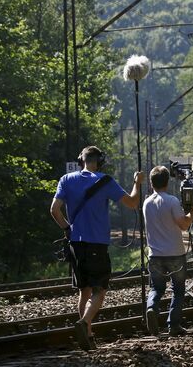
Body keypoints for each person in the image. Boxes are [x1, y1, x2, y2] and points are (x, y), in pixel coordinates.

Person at [50, 146, 144, 350]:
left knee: (84, 292)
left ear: (81, 160)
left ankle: (89, 336)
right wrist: (137, 183)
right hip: (97, 243)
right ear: (99, 161)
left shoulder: (66, 180)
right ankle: (84, 324)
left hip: (76, 244)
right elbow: (132, 203)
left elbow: (54, 210)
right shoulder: (105, 181)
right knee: (99, 291)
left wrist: (68, 229)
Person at [142, 165, 193, 336]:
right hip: (175, 253)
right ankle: (173, 325)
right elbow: (183, 225)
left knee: (156, 288)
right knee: (178, 290)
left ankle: (152, 307)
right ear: (167, 182)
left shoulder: (146, 203)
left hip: (155, 255)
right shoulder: (172, 201)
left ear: (152, 183)